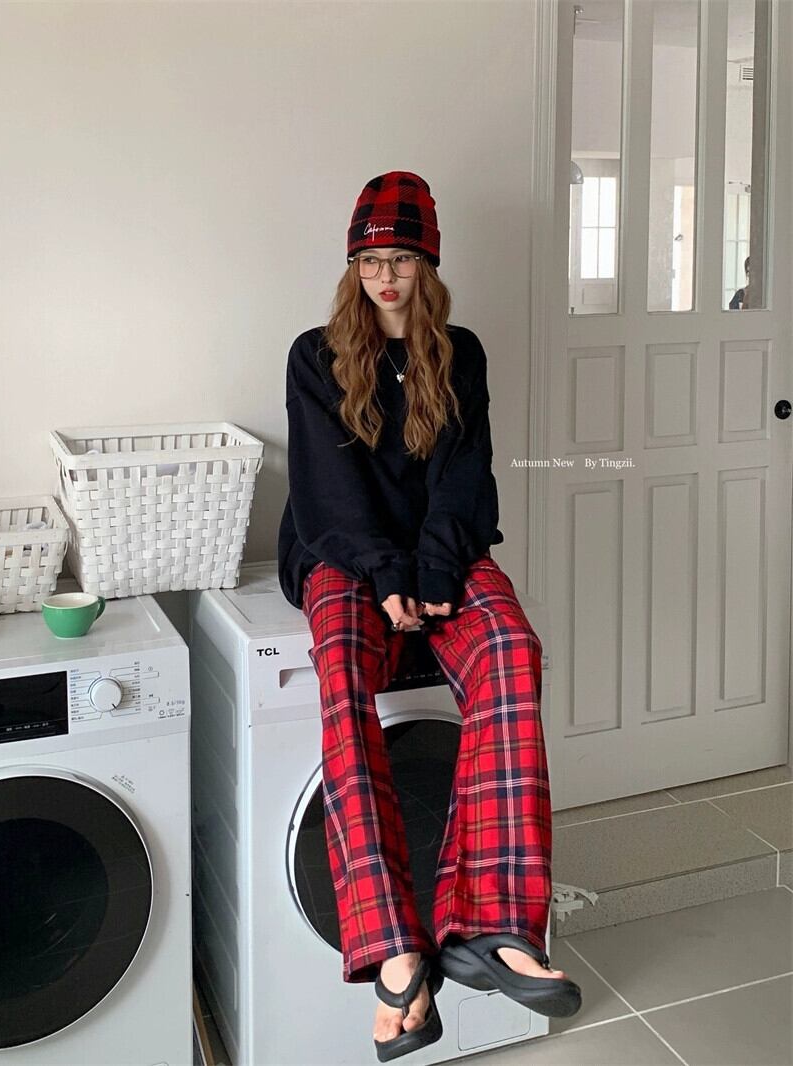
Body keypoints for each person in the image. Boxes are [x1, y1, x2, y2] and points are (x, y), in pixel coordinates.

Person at [278, 171, 581, 1061]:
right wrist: (386, 576)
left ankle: (493, 927)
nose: (385, 276)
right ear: (353, 265)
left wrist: (438, 570)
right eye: (371, 260)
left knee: (511, 650)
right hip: (344, 555)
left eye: (402, 259)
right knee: (343, 675)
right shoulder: (315, 354)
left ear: (428, 265)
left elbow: (464, 475)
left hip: (442, 552)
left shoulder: (462, 353)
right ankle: (394, 949)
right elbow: (328, 490)